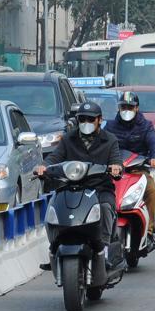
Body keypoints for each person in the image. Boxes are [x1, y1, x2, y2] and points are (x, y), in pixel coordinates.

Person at [35, 101, 123, 271]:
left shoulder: (110, 140)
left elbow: (116, 161)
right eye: (82, 119)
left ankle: (104, 250)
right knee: (53, 208)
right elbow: (54, 157)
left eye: (90, 119)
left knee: (105, 207)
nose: (86, 123)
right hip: (71, 188)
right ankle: (54, 249)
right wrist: (43, 167)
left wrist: (116, 167)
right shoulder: (68, 139)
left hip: (99, 189)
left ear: (99, 120)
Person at [103, 91, 155, 243]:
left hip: (138, 170)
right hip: (114, 171)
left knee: (152, 192)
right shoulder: (110, 126)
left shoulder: (146, 126)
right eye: (123, 107)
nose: (126, 110)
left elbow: (154, 142)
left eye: (130, 107)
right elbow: (101, 144)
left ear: (137, 108)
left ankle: (150, 228)